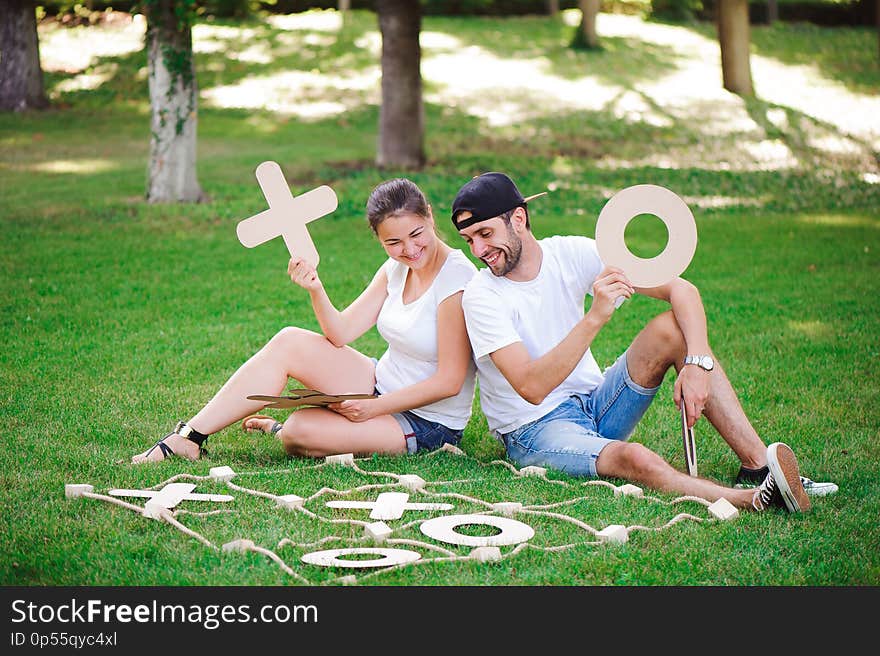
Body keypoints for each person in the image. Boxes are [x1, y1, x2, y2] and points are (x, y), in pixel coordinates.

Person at [451, 172, 837, 513]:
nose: (479, 251)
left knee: (672, 330)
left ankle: (758, 467)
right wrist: (596, 314)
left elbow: (681, 289)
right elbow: (531, 388)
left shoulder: (569, 252)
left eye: (486, 234)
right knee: (633, 458)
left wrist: (698, 363)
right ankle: (755, 499)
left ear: (518, 218)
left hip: (594, 403)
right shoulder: (482, 295)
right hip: (533, 429)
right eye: (470, 240)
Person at [132, 178, 477, 463]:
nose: (409, 249)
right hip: (378, 382)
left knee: (297, 431)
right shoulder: (396, 268)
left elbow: (449, 381)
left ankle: (288, 430)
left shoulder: (455, 279)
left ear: (430, 216)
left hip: (426, 420)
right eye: (394, 242)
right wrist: (316, 288)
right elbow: (341, 333)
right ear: (379, 239)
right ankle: (189, 437)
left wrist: (372, 408)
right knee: (289, 341)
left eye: (416, 234)